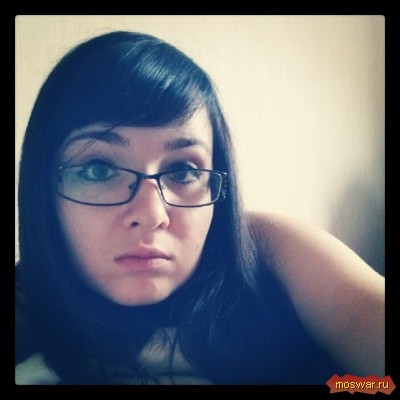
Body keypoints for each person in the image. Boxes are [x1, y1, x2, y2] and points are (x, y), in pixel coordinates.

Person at [15, 31, 384, 385]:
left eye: (183, 170)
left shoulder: (270, 254)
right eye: (98, 169)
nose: (152, 215)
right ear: (43, 189)